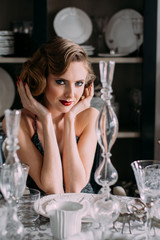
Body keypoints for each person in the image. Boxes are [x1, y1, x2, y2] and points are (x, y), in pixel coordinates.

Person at [2, 37, 100, 195]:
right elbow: (53, 189)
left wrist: (70, 119)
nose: (71, 94)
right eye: (61, 82)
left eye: (79, 83)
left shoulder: (90, 117)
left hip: (85, 213)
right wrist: (45, 119)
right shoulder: (17, 122)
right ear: (42, 79)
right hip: (38, 216)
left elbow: (75, 189)